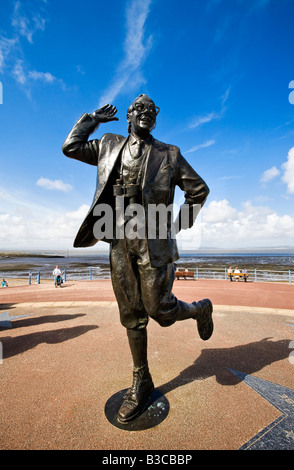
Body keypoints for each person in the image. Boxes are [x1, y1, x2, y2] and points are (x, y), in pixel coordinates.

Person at [62, 94, 213, 423]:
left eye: (152, 111)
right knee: (131, 313)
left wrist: (175, 224)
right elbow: (71, 147)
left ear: (155, 119)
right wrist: (92, 119)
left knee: (160, 310)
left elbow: (198, 189)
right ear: (129, 116)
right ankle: (141, 380)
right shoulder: (108, 144)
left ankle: (200, 309)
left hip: (153, 240)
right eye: (139, 109)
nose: (146, 113)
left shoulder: (169, 154)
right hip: (117, 237)